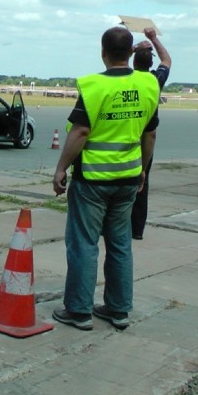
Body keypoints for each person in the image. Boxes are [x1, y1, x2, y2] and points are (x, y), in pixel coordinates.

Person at [51, 26, 160, 331]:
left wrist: (61, 168)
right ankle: (118, 309)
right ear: (130, 53)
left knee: (84, 244)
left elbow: (81, 132)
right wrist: (143, 169)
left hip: (93, 180)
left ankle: (79, 310)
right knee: (121, 244)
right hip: (127, 178)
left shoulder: (94, 86)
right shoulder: (148, 84)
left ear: (103, 52)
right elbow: (150, 133)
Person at [129, 27, 171, 239]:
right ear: (150, 64)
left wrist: (135, 47)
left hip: (124, 135)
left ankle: (110, 224)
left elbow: (114, 58)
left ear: (134, 62)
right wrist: (153, 39)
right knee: (140, 185)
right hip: (145, 138)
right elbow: (167, 60)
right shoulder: (155, 81)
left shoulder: (124, 78)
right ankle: (136, 230)